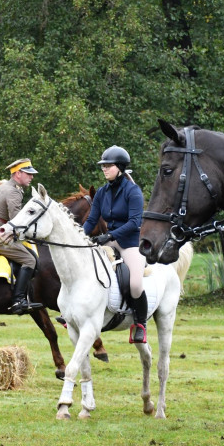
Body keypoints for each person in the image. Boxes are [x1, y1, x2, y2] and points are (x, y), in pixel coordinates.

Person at [83, 145, 148, 344]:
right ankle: (76, 312)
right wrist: (80, 237)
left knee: (135, 284)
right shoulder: (102, 192)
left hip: (130, 243)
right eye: (103, 165)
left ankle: (140, 324)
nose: (104, 168)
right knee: (84, 268)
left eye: (108, 165)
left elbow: (134, 222)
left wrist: (110, 235)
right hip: (109, 241)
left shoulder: (133, 191)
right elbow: (91, 220)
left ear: (119, 167)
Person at [0, 158, 44, 315]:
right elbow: (17, 221)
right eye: (28, 173)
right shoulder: (14, 192)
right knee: (30, 260)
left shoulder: (5, 186)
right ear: (18, 173)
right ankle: (18, 300)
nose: (32, 177)